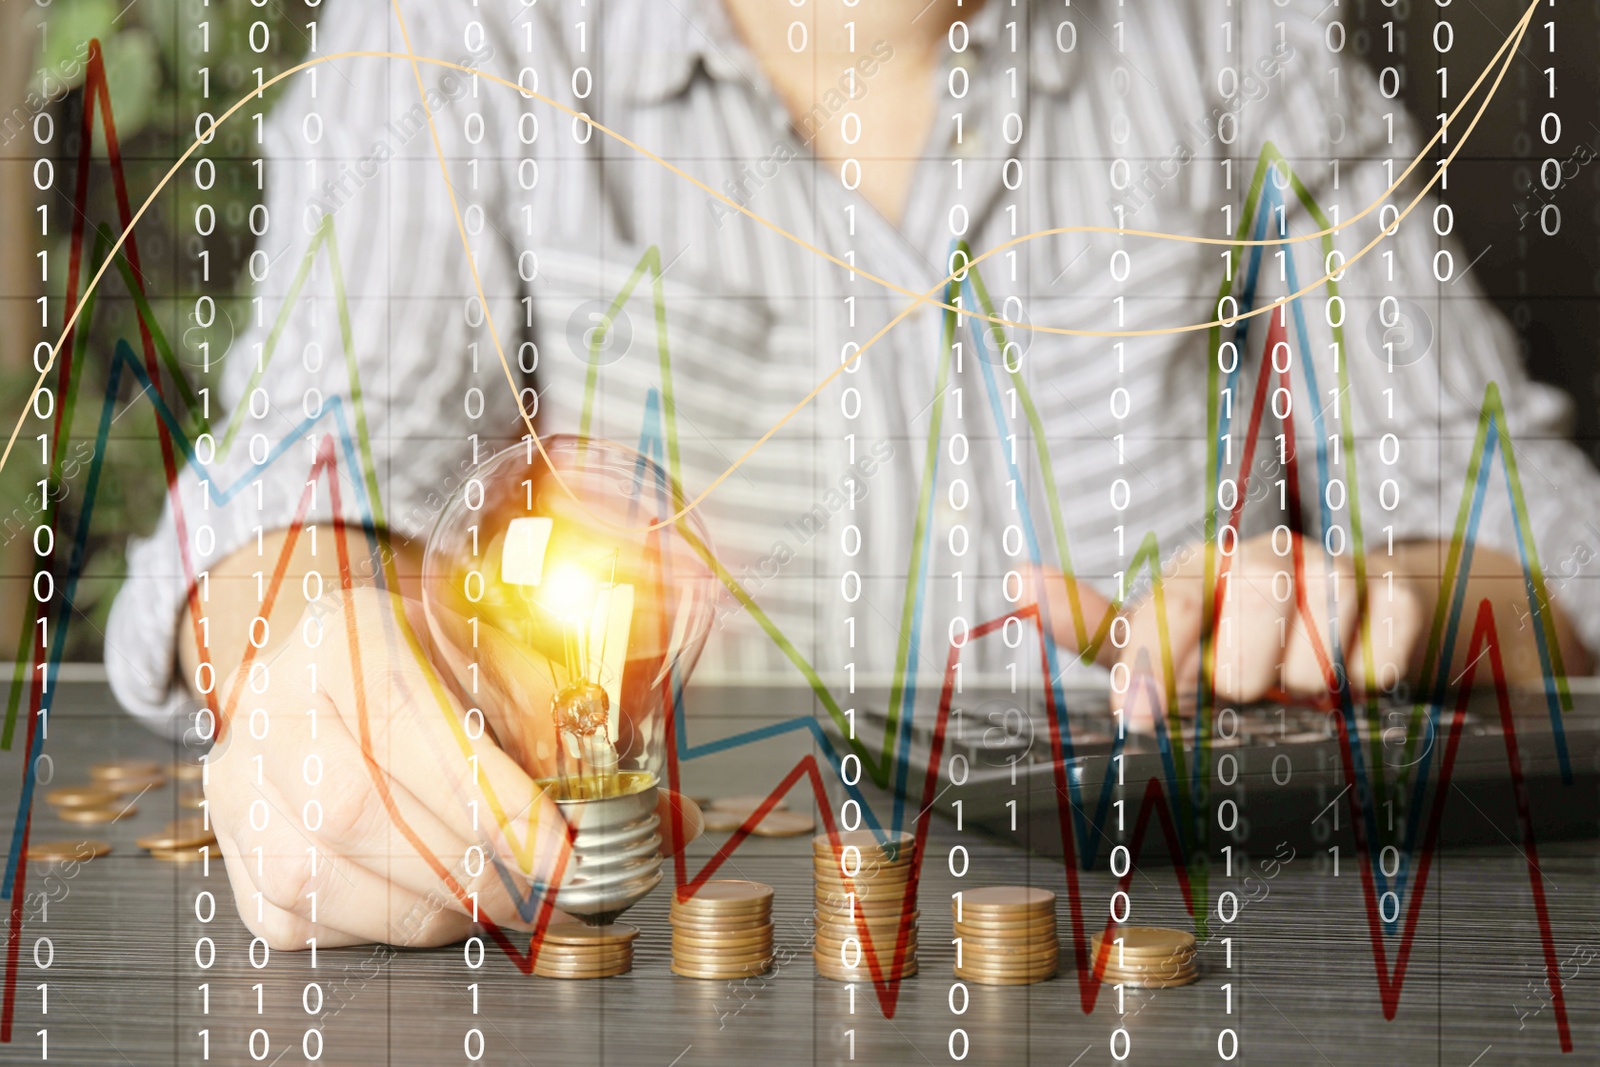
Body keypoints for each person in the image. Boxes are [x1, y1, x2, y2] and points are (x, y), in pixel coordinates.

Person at [107, 0, 1599, 949]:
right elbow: (302, 474)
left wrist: (1393, 607)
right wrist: (316, 645)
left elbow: (1549, 556)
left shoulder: (1240, 40)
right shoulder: (462, 32)